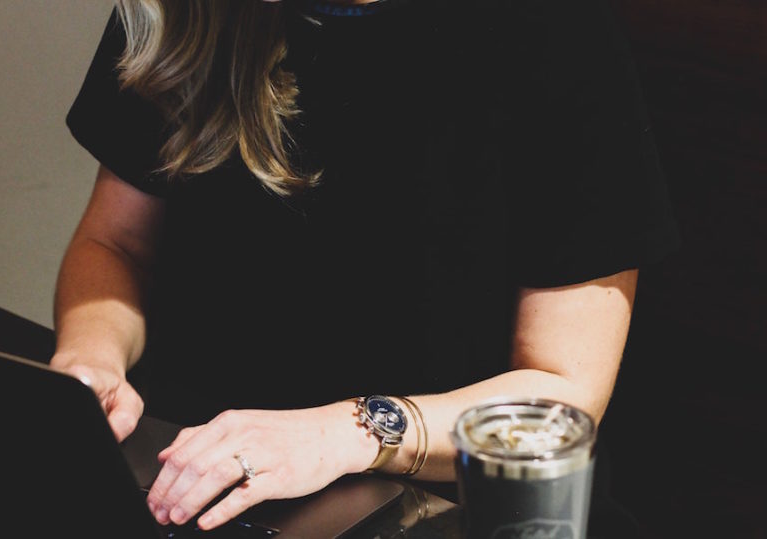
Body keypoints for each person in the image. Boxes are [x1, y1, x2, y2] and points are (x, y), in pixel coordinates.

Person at [52, 0, 679, 532]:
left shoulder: (554, 30)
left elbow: (561, 395)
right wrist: (92, 358)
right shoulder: (187, 14)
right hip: (192, 470)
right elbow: (117, 247)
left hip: (444, 502)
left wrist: (343, 433)